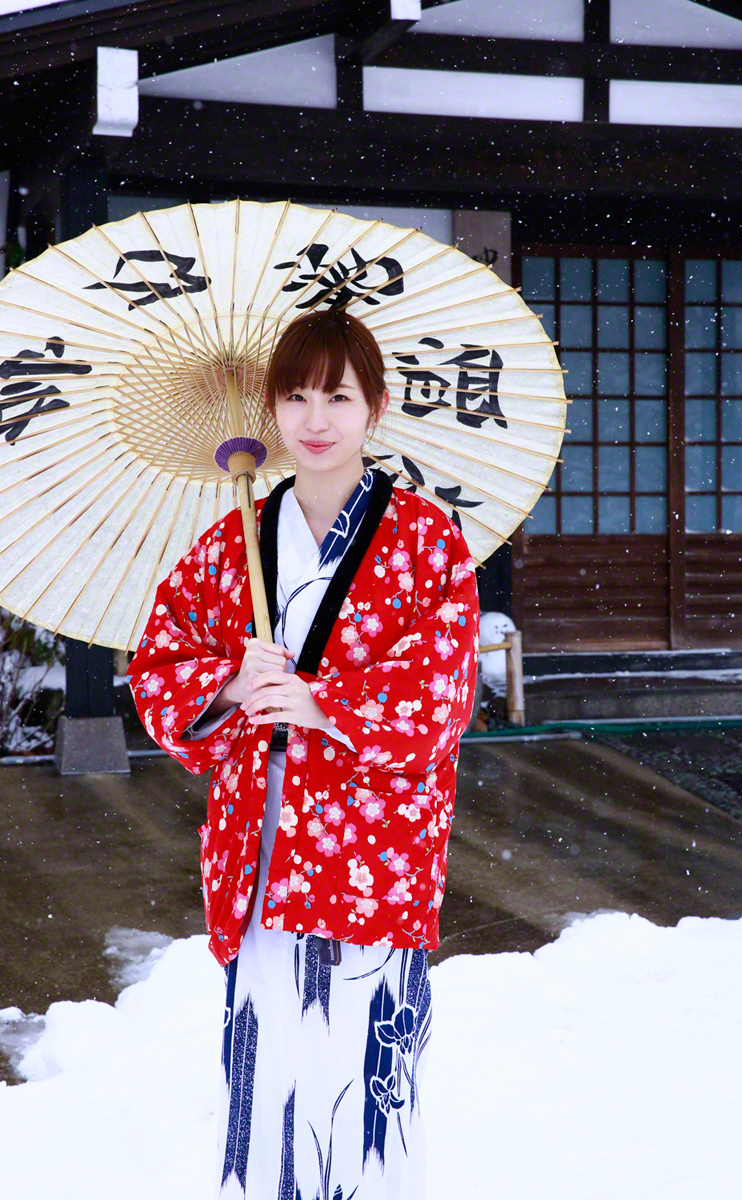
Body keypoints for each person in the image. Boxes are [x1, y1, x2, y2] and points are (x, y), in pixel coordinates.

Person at [128, 308, 480, 1200]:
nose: (315, 420)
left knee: (367, 1078)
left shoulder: (426, 541)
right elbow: (159, 666)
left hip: (373, 844)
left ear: (377, 409)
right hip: (260, 839)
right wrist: (232, 682)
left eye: (339, 397)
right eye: (295, 397)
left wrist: (326, 703)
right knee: (268, 1069)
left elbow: (441, 693)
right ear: (272, 410)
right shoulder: (232, 544)